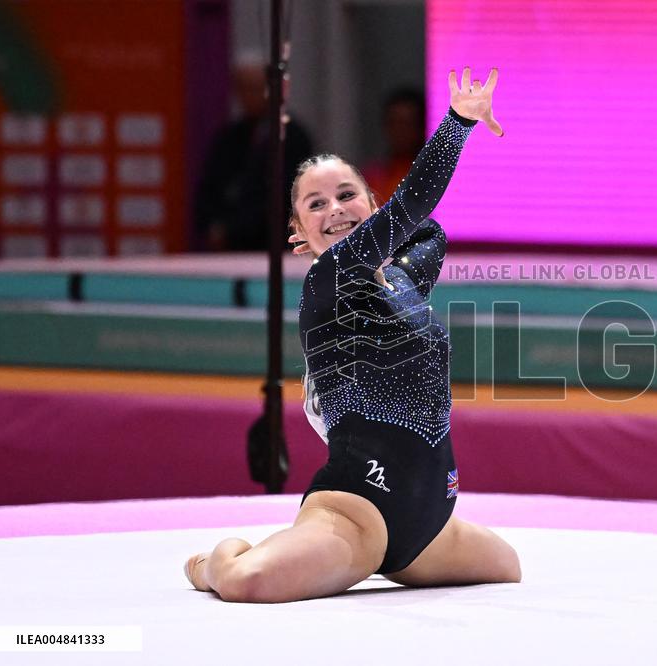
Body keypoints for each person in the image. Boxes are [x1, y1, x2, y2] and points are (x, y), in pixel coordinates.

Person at [184, 67, 520, 602]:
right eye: (315, 205)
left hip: (430, 519)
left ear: (372, 202)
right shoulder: (329, 278)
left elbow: (428, 229)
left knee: (509, 568)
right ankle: (210, 562)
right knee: (246, 582)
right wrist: (458, 124)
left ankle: (385, 552)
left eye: (347, 195)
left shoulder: (405, 278)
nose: (335, 209)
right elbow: (417, 206)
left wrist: (387, 220)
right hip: (356, 508)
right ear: (298, 233)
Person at [193, 53, 315, 252]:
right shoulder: (229, 136)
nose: (249, 95)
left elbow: (284, 194)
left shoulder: (293, 137)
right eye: (243, 88)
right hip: (230, 247)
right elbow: (209, 187)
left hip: (274, 245)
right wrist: (213, 227)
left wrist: (236, 229)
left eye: (256, 88)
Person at [362, 88, 426, 203]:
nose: (400, 131)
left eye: (406, 124)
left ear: (421, 127)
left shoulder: (435, 176)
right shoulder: (371, 178)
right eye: (394, 123)